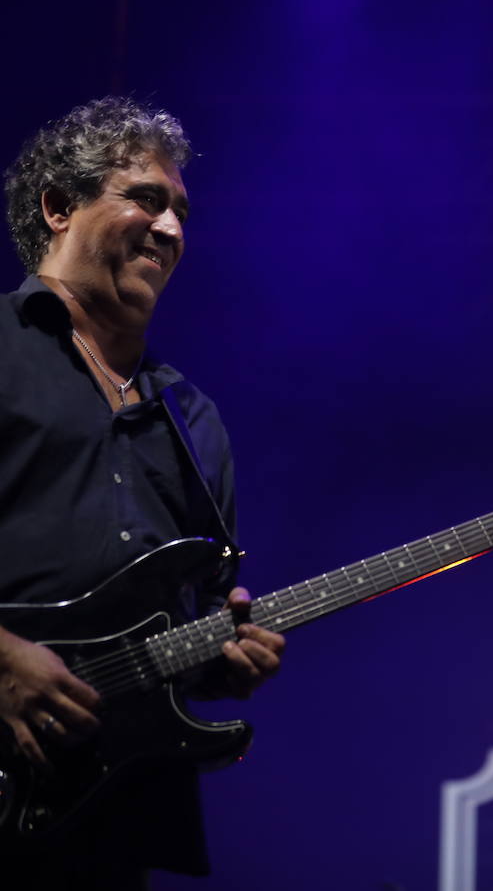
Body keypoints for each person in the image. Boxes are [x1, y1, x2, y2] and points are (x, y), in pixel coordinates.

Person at [0, 98, 286, 889]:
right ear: (60, 208)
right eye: (147, 198)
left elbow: (185, 624)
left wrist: (223, 660)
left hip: (111, 821)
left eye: (181, 211)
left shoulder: (193, 419)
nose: (170, 229)